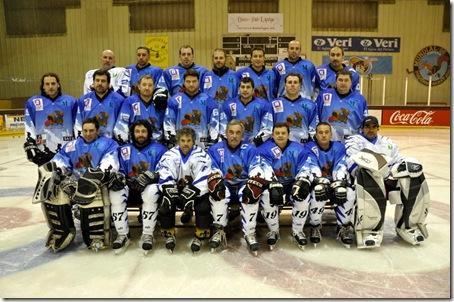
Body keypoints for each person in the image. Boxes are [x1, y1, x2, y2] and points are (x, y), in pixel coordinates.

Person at [33, 117, 120, 252]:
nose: (88, 133)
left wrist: (97, 174)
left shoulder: (109, 144)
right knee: (54, 187)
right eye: (85, 130)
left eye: (91, 130)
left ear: (97, 131)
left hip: (97, 183)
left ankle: (96, 236)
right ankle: (62, 231)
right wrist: (56, 170)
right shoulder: (72, 145)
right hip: (73, 182)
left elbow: (111, 160)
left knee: (92, 190)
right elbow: (61, 159)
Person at [345, 116, 430, 248]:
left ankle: (407, 225)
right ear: (362, 128)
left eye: (374, 127)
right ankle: (369, 229)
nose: (370, 130)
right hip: (366, 180)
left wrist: (404, 166)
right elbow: (351, 162)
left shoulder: (387, 142)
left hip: (388, 178)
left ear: (378, 128)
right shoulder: (354, 141)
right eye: (367, 127)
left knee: (413, 179)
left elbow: (398, 159)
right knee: (370, 182)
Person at [109, 119, 167, 254]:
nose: (140, 134)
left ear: (149, 133)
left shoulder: (160, 149)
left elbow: (166, 171)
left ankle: (148, 234)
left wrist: (153, 176)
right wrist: (119, 178)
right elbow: (118, 170)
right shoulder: (123, 150)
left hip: (149, 188)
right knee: (115, 193)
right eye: (137, 131)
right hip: (130, 187)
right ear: (132, 133)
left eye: (143, 131)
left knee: (151, 191)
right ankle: (123, 234)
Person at [295, 122, 355, 247]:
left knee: (349, 193)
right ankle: (315, 226)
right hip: (318, 182)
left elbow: (341, 165)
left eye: (326, 132)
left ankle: (343, 226)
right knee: (318, 192)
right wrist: (320, 180)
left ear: (331, 134)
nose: (323, 135)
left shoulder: (339, 147)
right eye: (320, 132)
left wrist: (339, 183)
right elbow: (311, 165)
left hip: (336, 181)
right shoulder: (309, 147)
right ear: (315, 134)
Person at [254, 123, 310, 251]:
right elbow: (262, 167)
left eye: (283, 133)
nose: (280, 135)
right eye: (277, 133)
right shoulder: (263, 149)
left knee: (303, 195)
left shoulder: (299, 148)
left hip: (292, 183)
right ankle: (273, 231)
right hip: (272, 184)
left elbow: (306, 166)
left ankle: (297, 231)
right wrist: (271, 182)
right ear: (272, 135)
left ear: (288, 134)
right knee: (267, 196)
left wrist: (302, 181)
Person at [156, 127, 213, 253]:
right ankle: (168, 233)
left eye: (188, 140)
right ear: (178, 141)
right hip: (176, 190)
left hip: (196, 190)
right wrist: (169, 189)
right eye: (182, 140)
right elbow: (164, 171)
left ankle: (200, 234)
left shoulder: (201, 155)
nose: (185, 143)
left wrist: (193, 191)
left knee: (203, 206)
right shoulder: (170, 154)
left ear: (193, 141)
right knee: (166, 204)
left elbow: (205, 175)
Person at [206, 120, 258, 251]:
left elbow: (256, 167)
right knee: (218, 190)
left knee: (251, 191)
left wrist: (253, 182)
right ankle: (219, 230)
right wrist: (217, 181)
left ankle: (250, 233)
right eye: (231, 132)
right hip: (224, 184)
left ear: (242, 135)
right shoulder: (215, 149)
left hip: (243, 183)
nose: (234, 136)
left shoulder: (250, 149)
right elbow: (211, 168)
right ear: (226, 133)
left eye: (238, 133)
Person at [24, 73, 78, 166]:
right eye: (47, 84)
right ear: (43, 86)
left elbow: (77, 124)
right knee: (47, 178)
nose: (50, 87)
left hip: (67, 149)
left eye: (53, 83)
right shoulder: (33, 102)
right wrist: (30, 143)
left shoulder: (71, 101)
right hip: (42, 150)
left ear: (58, 85)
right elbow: (29, 125)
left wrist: (79, 143)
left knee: (67, 179)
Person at [163, 69, 220, 149]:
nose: (191, 84)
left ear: (198, 82)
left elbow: (214, 125)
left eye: (194, 81)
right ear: (183, 82)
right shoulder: (174, 100)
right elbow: (169, 123)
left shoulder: (209, 101)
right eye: (188, 81)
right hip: (181, 147)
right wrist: (174, 143)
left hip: (202, 147)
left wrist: (211, 144)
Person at [316, 70, 368, 142]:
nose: (343, 83)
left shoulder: (360, 99)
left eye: (346, 80)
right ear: (336, 82)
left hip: (351, 142)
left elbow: (364, 122)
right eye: (340, 80)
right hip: (327, 142)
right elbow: (316, 116)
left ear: (351, 83)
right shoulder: (324, 95)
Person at [219, 77, 273, 146]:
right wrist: (233, 143)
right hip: (234, 145)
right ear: (239, 89)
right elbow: (223, 128)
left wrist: (254, 143)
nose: (245, 90)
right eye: (242, 87)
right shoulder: (228, 105)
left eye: (248, 87)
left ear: (253, 89)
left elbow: (267, 128)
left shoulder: (264, 105)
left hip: (256, 146)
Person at [75, 69, 125, 139]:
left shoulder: (119, 100)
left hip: (111, 143)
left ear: (108, 84)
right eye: (97, 80)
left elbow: (121, 124)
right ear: (93, 82)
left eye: (103, 81)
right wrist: (81, 140)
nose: (100, 83)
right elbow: (78, 124)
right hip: (89, 141)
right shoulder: (83, 100)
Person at [114, 75, 164, 143]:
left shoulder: (160, 102)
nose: (147, 88)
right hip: (135, 142)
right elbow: (121, 124)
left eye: (150, 85)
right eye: (144, 85)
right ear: (139, 86)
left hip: (156, 143)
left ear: (154, 87)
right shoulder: (130, 101)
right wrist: (126, 142)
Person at [271, 73, 317, 144]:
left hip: (302, 146)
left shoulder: (310, 105)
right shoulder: (274, 104)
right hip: (280, 146)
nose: (292, 85)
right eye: (289, 82)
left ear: (300, 86)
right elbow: (269, 127)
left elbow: (313, 129)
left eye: (295, 82)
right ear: (285, 85)